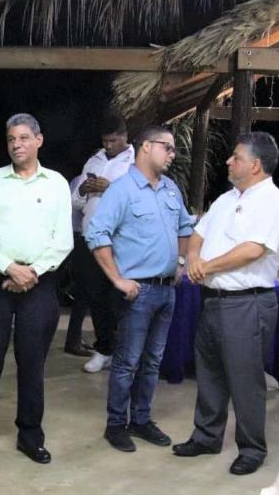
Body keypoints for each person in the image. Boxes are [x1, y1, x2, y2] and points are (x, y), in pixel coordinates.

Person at [173, 132, 279, 476]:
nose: (229, 161)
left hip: (247, 303)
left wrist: (204, 267)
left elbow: (252, 250)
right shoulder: (227, 198)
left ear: (255, 165)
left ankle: (252, 448)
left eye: (236, 157)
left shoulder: (274, 203)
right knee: (209, 373)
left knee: (245, 379)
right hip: (213, 299)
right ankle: (207, 436)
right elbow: (198, 233)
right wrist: (195, 257)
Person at [0, 113, 73, 465]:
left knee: (32, 362)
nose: (16, 145)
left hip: (40, 282)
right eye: (11, 139)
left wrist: (31, 272)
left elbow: (63, 240)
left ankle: (30, 436)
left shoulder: (55, 184)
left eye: (24, 138)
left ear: (39, 140)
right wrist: (9, 267)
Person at [85, 125, 193, 452]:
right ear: (146, 147)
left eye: (173, 149)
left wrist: (180, 263)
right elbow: (96, 234)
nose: (172, 154)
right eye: (167, 147)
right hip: (137, 292)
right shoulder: (122, 190)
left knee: (152, 362)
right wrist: (118, 279)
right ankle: (116, 424)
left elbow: (186, 227)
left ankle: (141, 420)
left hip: (166, 291)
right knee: (127, 362)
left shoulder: (171, 189)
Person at [71, 113, 136, 373]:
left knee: (118, 297)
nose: (108, 145)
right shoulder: (94, 159)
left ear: (124, 136)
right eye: (105, 141)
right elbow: (75, 201)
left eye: (113, 140)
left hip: (119, 242)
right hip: (90, 239)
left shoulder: (134, 163)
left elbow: (136, 199)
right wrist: (84, 190)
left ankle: (124, 351)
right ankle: (104, 349)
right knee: (95, 296)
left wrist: (110, 187)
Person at [63, 173, 94, 356]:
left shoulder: (76, 179)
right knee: (84, 291)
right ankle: (73, 340)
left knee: (85, 291)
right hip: (78, 237)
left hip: (80, 236)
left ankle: (75, 338)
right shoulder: (82, 181)